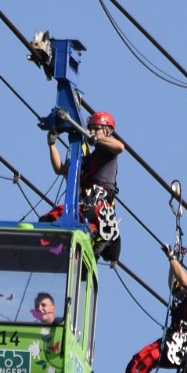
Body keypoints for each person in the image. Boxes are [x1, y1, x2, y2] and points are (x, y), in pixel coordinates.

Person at [43, 111, 125, 263]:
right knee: (49, 220)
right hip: (84, 207)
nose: (92, 131)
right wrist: (52, 145)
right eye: (90, 128)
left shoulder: (109, 154)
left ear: (107, 131)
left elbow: (120, 147)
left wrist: (96, 138)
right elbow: (60, 169)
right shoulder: (87, 160)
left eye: (96, 128)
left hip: (98, 208)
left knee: (83, 227)